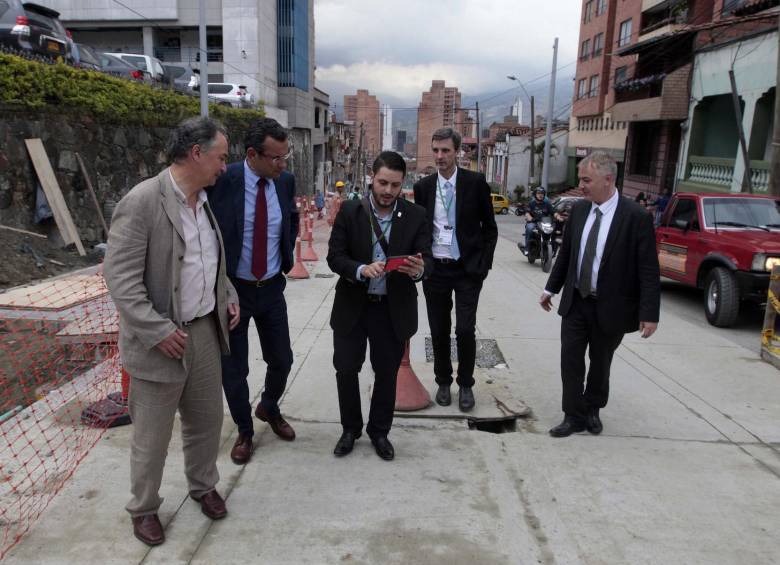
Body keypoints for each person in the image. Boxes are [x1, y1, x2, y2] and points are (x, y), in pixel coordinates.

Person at [103, 116, 240, 546]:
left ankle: (203, 485)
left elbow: (209, 262)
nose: (225, 167)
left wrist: (228, 295)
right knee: (152, 435)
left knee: (206, 421)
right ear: (196, 153)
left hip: (204, 332)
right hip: (159, 341)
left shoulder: (204, 201)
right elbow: (121, 280)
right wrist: (156, 330)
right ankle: (144, 508)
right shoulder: (143, 202)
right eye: (221, 157)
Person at [539, 151, 660, 437]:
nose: (581, 186)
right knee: (570, 359)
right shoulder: (580, 211)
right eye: (580, 180)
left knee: (600, 362)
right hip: (576, 301)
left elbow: (648, 269)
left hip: (612, 306)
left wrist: (649, 313)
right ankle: (572, 415)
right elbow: (567, 255)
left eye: (586, 180)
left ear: (608, 179)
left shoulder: (636, 217)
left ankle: (592, 409)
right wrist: (550, 289)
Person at [327, 151, 433, 461]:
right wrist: (360, 269)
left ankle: (380, 431)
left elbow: (427, 259)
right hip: (353, 306)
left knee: (387, 372)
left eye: (395, 185)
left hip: (392, 309)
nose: (388, 191)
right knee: (346, 368)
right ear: (372, 178)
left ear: (403, 184)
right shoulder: (350, 211)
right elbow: (335, 257)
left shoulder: (416, 215)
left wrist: (419, 270)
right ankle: (350, 429)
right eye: (383, 183)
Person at [207, 117, 300, 465]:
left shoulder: (284, 182)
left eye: (285, 156)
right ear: (252, 155)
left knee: (282, 359)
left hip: (271, 287)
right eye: (275, 157)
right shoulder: (223, 180)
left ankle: (269, 406)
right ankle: (244, 430)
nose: (282, 164)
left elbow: (291, 219)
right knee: (235, 369)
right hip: (234, 291)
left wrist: (286, 255)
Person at [413, 127, 498, 412]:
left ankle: (465, 384)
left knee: (464, 329)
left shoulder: (475, 183)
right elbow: (421, 230)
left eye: (445, 150)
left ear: (457, 152)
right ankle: (443, 381)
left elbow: (490, 228)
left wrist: (483, 265)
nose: (440, 156)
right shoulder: (424, 187)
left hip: (467, 270)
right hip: (436, 270)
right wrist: (423, 262)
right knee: (439, 330)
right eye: (436, 150)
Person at [521, 187, 555, 255]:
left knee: (553, 230)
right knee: (529, 228)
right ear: (535, 194)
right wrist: (530, 218)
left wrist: (558, 216)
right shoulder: (531, 204)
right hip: (533, 222)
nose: (540, 195)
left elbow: (553, 212)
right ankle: (527, 248)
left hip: (544, 222)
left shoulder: (547, 204)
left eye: (542, 193)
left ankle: (552, 249)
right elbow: (527, 213)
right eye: (538, 193)